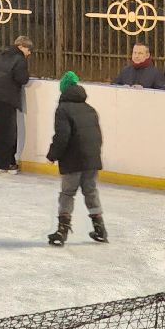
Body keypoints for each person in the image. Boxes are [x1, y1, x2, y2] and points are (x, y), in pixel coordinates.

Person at [46, 71, 108, 246]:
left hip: (73, 160)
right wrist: (93, 155)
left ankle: (62, 231)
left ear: (63, 89)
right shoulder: (90, 109)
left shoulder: (63, 109)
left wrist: (52, 155)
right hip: (91, 159)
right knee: (90, 191)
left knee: (67, 193)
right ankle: (100, 229)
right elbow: (98, 136)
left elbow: (62, 136)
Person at [0, 34, 33, 174]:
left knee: (1, 130)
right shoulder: (20, 59)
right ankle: (6, 164)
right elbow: (22, 79)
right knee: (9, 131)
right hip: (7, 98)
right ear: (21, 46)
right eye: (28, 49)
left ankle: (2, 163)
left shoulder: (0, 55)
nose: (29, 53)